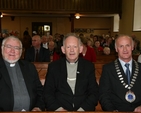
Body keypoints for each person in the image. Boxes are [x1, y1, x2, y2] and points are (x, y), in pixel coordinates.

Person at [43, 33, 98, 111]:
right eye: (68, 47)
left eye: (75, 47)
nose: (72, 50)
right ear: (63, 49)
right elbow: (47, 93)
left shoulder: (88, 67)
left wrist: (82, 110)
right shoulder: (54, 67)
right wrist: (59, 109)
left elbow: (94, 93)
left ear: (80, 49)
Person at [0, 36, 44, 111]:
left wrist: (38, 107)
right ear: (2, 48)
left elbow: (40, 91)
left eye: (16, 48)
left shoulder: (29, 67)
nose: (12, 51)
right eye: (9, 46)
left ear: (21, 51)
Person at [99, 34, 141, 112]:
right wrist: (112, 110)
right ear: (116, 49)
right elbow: (104, 95)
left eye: (127, 45)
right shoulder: (108, 69)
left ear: (132, 47)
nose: (125, 49)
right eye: (121, 46)